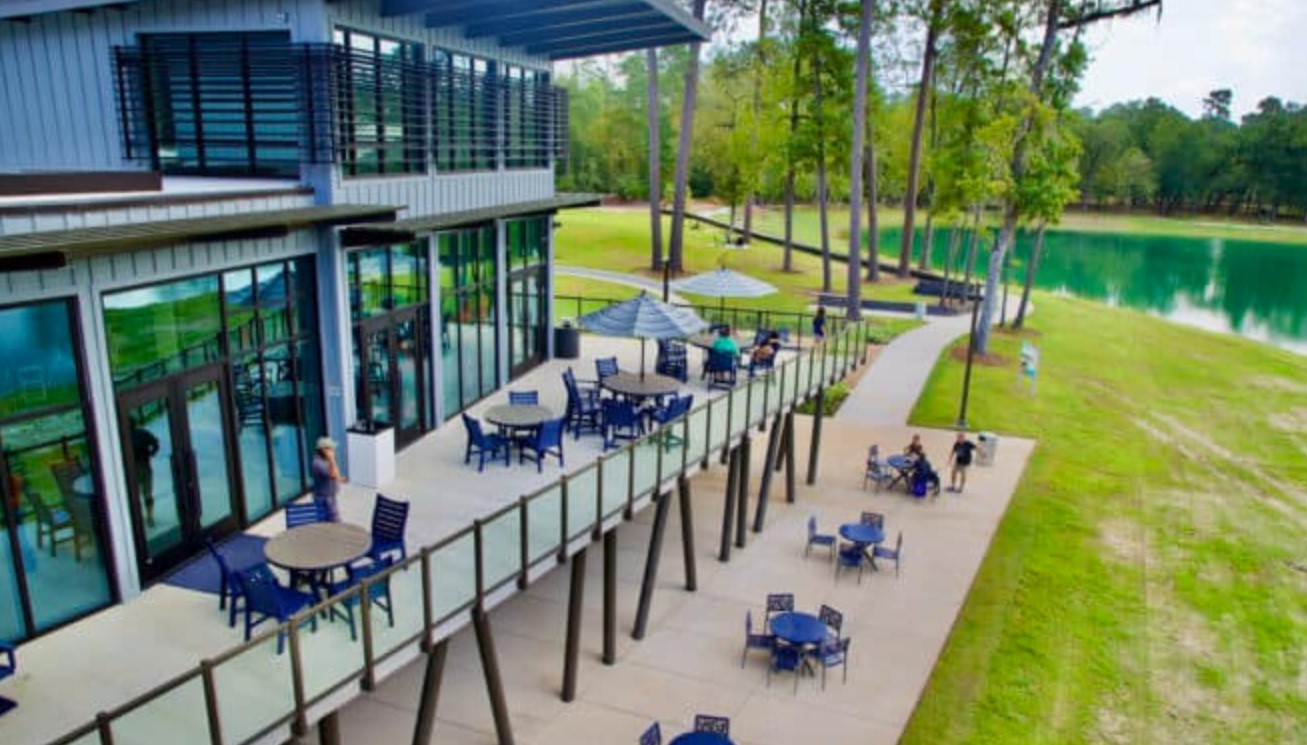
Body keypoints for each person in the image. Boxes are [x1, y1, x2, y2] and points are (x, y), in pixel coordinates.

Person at [131, 421, 160, 527]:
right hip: (144, 465)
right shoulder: (142, 433)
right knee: (147, 492)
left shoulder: (123, 437)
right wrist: (151, 453)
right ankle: (150, 516)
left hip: (131, 469)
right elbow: (155, 443)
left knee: (133, 495)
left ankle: (137, 519)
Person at [311, 436, 345, 522]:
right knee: (334, 522)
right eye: (331, 449)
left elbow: (336, 473)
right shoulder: (317, 463)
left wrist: (339, 478)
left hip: (331, 497)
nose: (334, 451)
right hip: (324, 499)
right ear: (324, 450)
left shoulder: (327, 460)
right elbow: (333, 474)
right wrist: (332, 459)